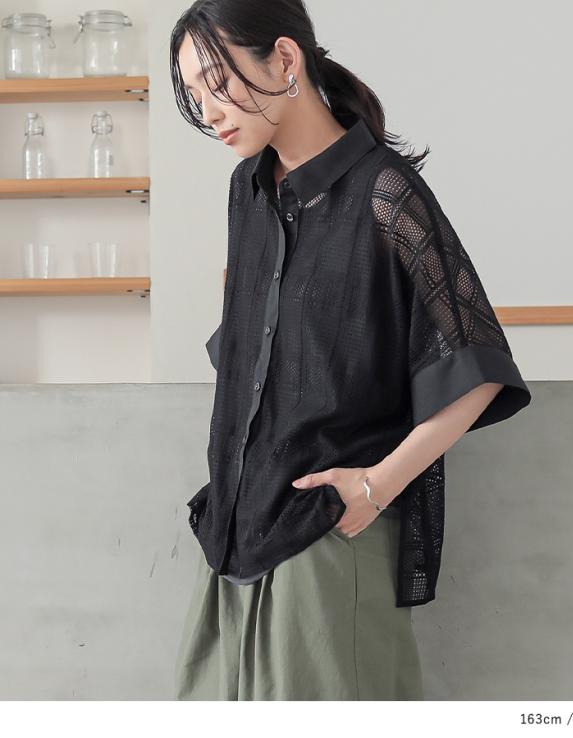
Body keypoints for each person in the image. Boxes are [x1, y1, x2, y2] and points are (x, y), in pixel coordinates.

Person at [169, 0, 532, 701]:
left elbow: (479, 367)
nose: (208, 111)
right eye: (193, 94)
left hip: (325, 550)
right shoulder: (247, 190)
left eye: (217, 83)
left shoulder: (386, 193)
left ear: (284, 58)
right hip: (234, 540)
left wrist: (375, 486)